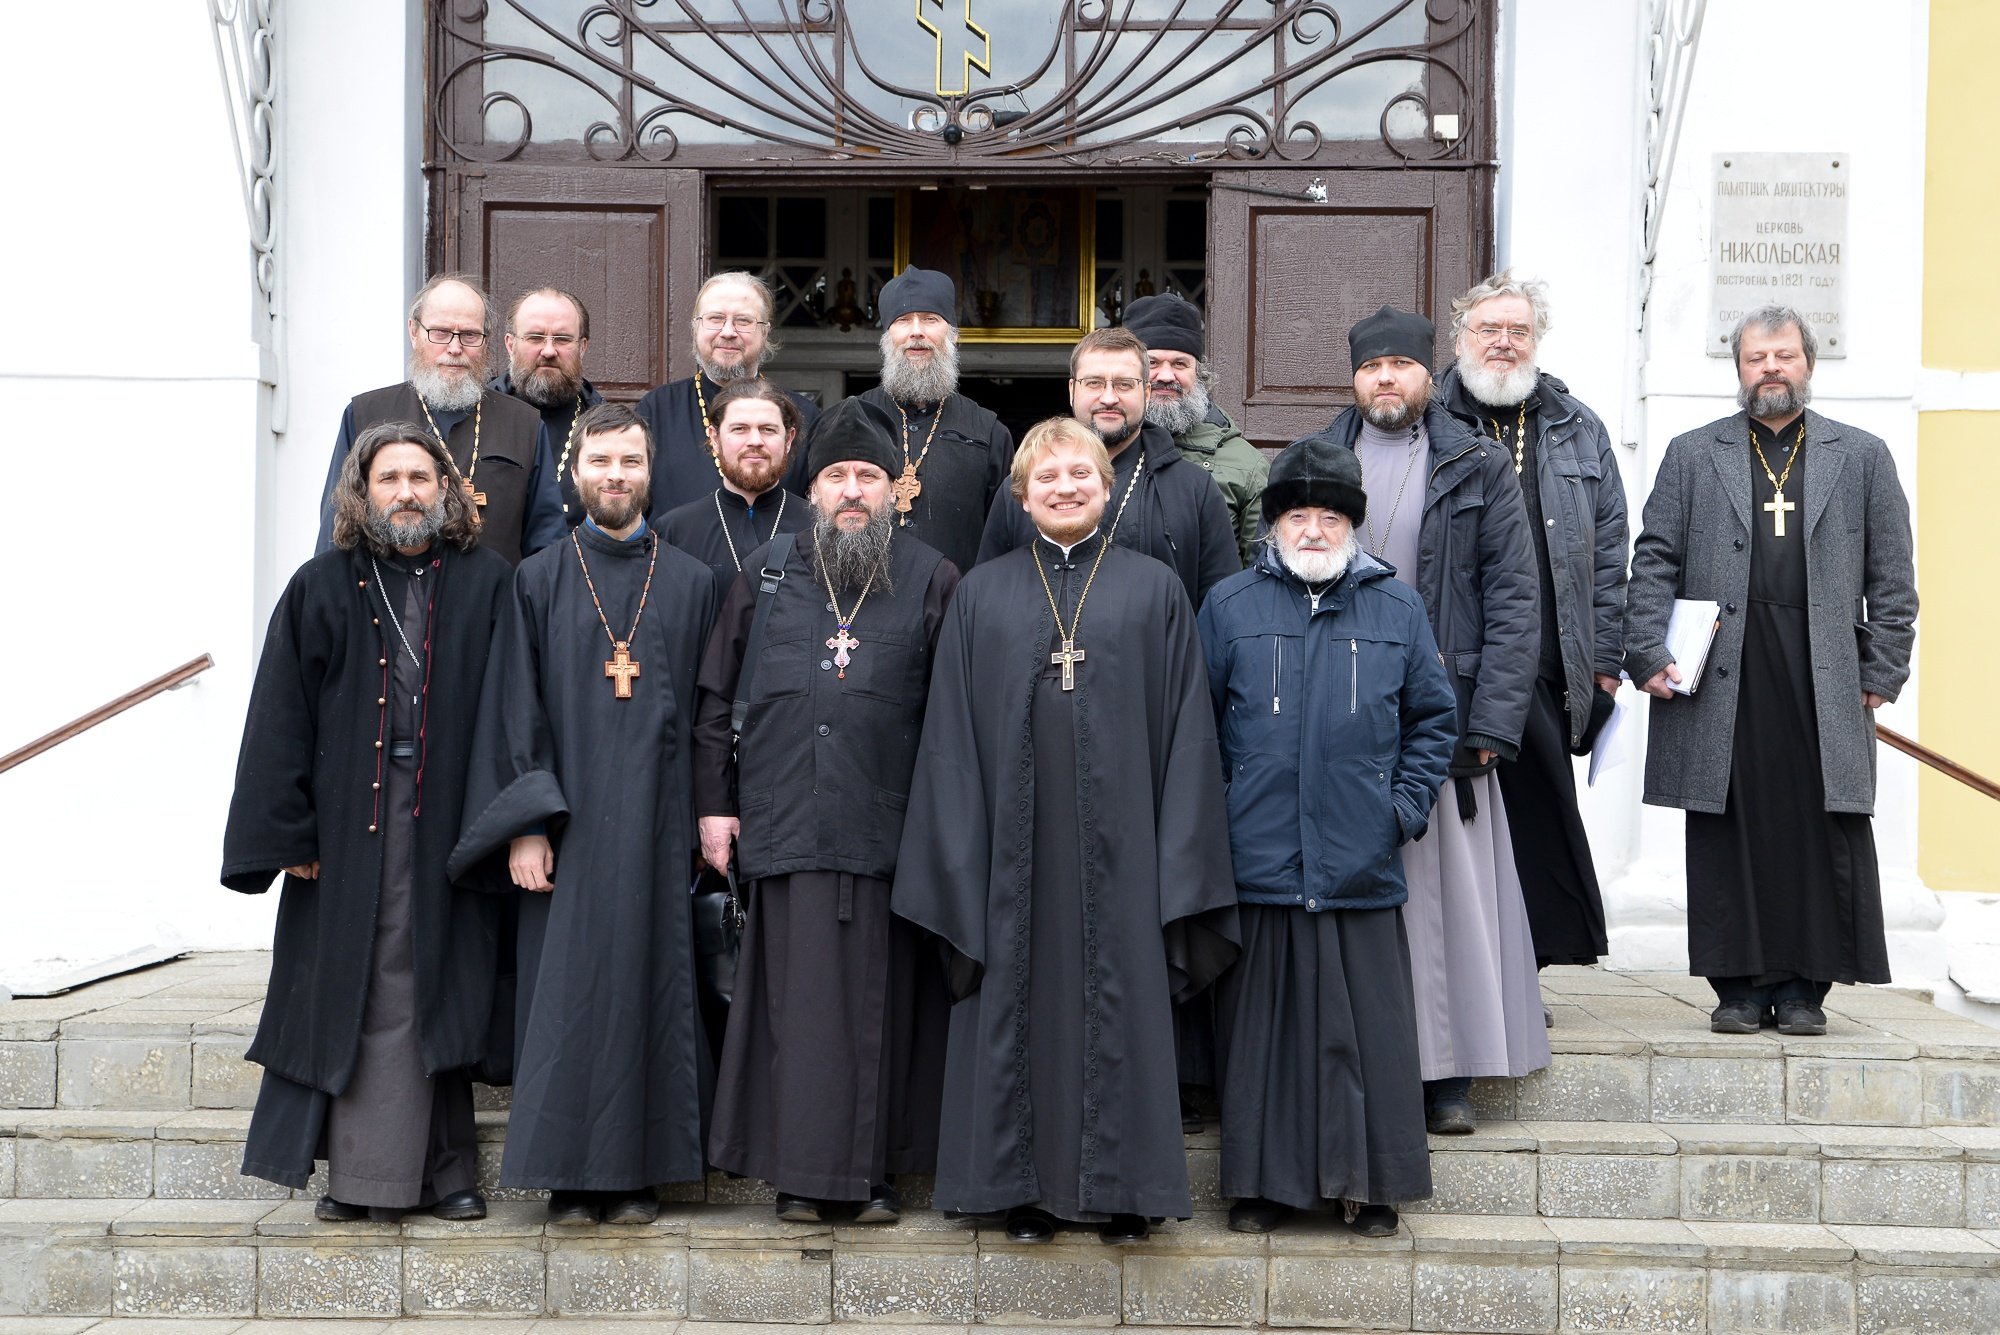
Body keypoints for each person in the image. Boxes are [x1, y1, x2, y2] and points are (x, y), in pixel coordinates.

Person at [896, 416, 1239, 1246]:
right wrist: (957, 849)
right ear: (1021, 495)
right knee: (1015, 1000)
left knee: (1123, 1002)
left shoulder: (1155, 589)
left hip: (1128, 849)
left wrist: (1179, 852)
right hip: (1007, 853)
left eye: (1080, 474)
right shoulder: (982, 592)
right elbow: (949, 735)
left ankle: (1127, 1195)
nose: (1064, 487)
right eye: (1046, 477)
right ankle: (1023, 1194)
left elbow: (1189, 734)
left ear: (1106, 486)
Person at [224, 422, 510, 1223]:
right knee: (366, 979)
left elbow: (514, 704)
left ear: (446, 489)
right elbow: (279, 715)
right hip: (348, 827)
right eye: (390, 478)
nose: (407, 492)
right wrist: (288, 833)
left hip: (452, 819)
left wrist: (508, 818)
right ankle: (360, 1179)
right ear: (362, 490)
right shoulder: (320, 585)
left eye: (421, 476)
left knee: (438, 981)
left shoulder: (489, 581)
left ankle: (448, 1171)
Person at [448, 400, 718, 1225]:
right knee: (566, 997)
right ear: (575, 473)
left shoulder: (693, 581)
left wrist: (707, 816)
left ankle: (639, 1175)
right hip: (566, 828)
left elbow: (709, 715)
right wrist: (526, 823)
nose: (615, 475)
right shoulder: (537, 579)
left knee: (651, 991)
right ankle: (569, 1177)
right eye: (600, 461)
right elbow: (513, 706)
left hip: (661, 827)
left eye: (630, 461)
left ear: (651, 471)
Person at [693, 397, 961, 1226]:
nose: (851, 490)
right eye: (836, 475)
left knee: (883, 1008)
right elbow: (715, 700)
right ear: (812, 490)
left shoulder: (933, 577)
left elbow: (955, 715)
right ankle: (798, 1176)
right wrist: (714, 807)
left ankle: (872, 1175)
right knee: (795, 1011)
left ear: (895, 490)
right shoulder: (767, 571)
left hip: (889, 830)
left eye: (867, 476)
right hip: (784, 824)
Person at [1625, 305, 1917, 1036]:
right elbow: (1654, 558)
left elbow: (1893, 576)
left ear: (1808, 362)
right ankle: (1737, 989)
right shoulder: (1694, 453)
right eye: (1756, 358)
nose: (1771, 369)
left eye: (1784, 355)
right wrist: (1647, 650)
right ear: (1739, 369)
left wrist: (1883, 666)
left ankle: (1803, 990)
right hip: (1725, 667)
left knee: (1819, 826)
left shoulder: (1863, 455)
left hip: (1825, 670)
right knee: (1728, 822)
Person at [1293, 304, 1547, 1135]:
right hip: (1338, 711)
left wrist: (1494, 721)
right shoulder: (1315, 460)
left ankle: (1449, 1076)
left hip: (1446, 712)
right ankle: (1363, 1059)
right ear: (1354, 378)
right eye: (1372, 367)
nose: (1386, 379)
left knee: (1448, 903)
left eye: (1400, 364)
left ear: (1426, 375)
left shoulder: (1477, 463)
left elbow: (1514, 599)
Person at [1198, 436, 1456, 1236]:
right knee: (1263, 1040)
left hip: (1359, 862)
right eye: (1298, 515)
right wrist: (1224, 813)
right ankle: (1260, 1186)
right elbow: (1197, 727)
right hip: (1260, 860)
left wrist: (1398, 810)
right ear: (1274, 523)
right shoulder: (1230, 604)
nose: (1314, 530)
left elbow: (1433, 720)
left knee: (1366, 1036)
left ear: (1353, 524)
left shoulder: (1398, 607)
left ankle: (1371, 1188)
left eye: (1331, 516)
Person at [1436, 271, 1629, 977]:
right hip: (1450, 656)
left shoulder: (1579, 427)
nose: (1504, 343)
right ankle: (1459, 976)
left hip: (1546, 661)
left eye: (1518, 330)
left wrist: (1605, 661)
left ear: (1537, 340)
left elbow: (1609, 552)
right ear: (1460, 337)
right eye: (1489, 329)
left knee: (1536, 822)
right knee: (1454, 823)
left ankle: (1525, 977)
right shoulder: (1431, 418)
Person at [977, 327, 1239, 613]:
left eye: (1124, 385)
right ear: (1072, 390)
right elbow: (989, 598)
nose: (1109, 398)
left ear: (1146, 392)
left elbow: (1222, 609)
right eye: (1094, 383)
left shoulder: (1195, 489)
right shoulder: (1023, 488)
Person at [314, 273, 565, 565]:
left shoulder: (524, 424)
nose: (455, 348)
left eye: (470, 335)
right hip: (384, 592)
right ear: (414, 332)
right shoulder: (366, 414)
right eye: (441, 333)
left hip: (498, 594)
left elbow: (546, 543)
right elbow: (338, 528)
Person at [799, 267, 1014, 575]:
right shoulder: (845, 420)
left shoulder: (988, 431)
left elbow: (1005, 538)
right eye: (903, 320)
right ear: (887, 337)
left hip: (957, 600)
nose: (916, 332)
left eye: (930, 319)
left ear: (953, 334)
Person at [636, 271, 822, 514]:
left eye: (743, 321)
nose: (728, 332)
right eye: (715, 319)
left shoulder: (803, 415)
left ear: (765, 332)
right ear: (695, 328)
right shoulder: (656, 410)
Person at [1123, 292, 1270, 566]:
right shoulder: (1094, 450)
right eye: (1152, 363)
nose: (1166, 376)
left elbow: (1258, 575)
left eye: (1180, 364)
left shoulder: (1247, 466)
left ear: (1199, 374)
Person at [655, 378, 811, 604]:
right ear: (715, 438)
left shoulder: (817, 527)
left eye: (768, 430)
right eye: (740, 429)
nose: (755, 441)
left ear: (788, 440)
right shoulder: (675, 530)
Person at [492, 286, 605, 527]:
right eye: (535, 338)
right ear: (510, 345)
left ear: (583, 347)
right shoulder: (478, 415)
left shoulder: (605, 427)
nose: (549, 351)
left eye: (563, 339)